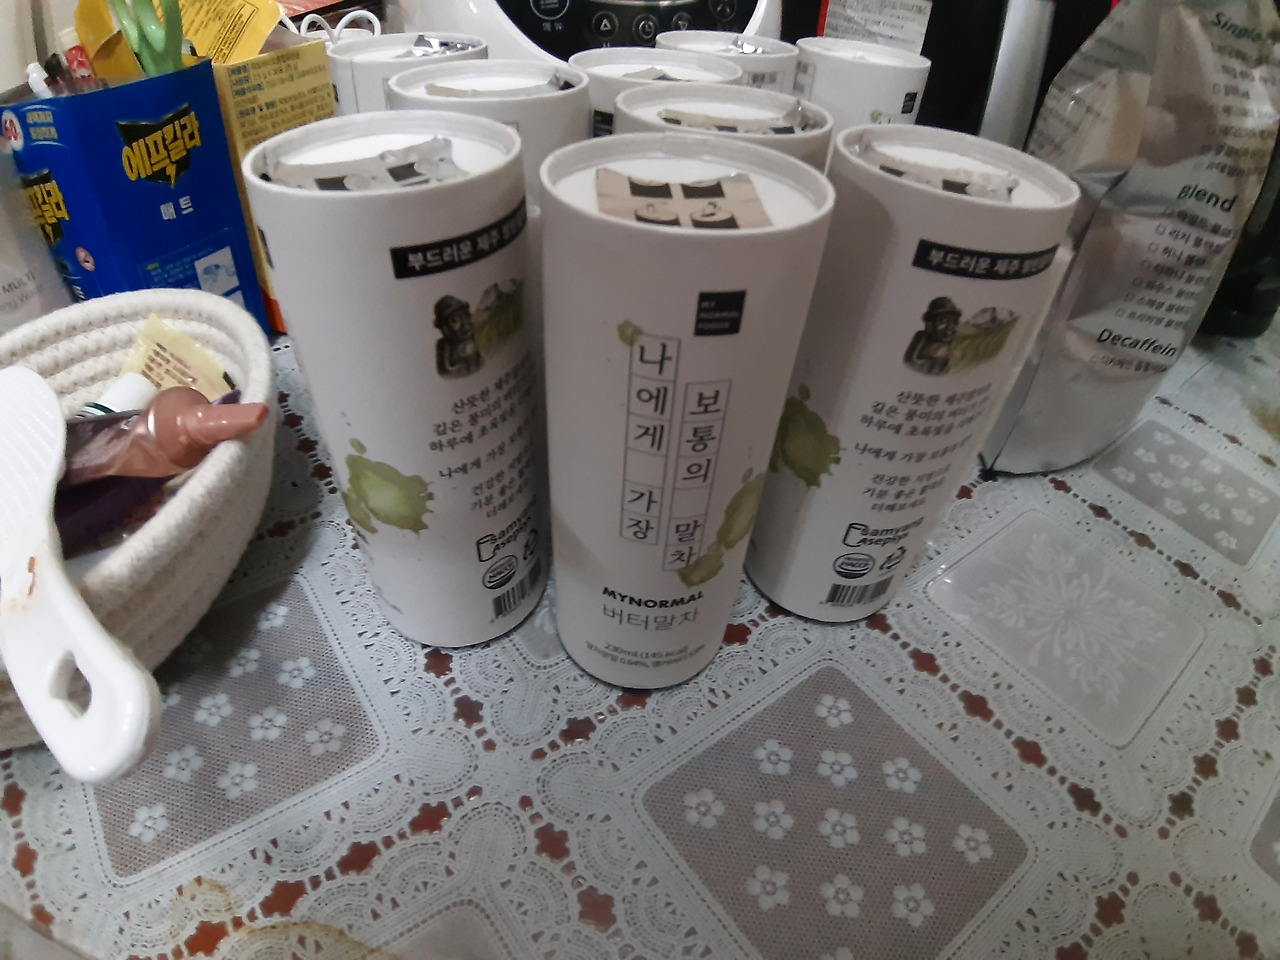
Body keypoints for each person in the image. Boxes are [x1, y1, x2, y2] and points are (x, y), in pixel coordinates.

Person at [903, 296, 961, 375]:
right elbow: (910, 363)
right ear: (929, 324)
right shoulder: (920, 339)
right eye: (943, 321)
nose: (950, 327)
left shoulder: (959, 343)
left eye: (954, 322)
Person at [433, 294, 483, 378]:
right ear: (445, 329)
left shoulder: (474, 337)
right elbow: (445, 372)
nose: (465, 323)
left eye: (466, 316)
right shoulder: (444, 346)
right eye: (455, 320)